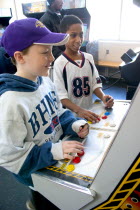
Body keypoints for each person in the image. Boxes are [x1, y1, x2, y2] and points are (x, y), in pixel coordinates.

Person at [0, 18, 89, 210]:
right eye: (44, 52)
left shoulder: (45, 81)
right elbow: (10, 157)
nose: (52, 58)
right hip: (36, 172)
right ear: (20, 57)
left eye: (51, 51)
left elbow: (57, 112)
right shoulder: (10, 103)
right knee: (44, 200)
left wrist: (73, 124)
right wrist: (55, 150)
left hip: (54, 160)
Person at [53, 15, 114, 123]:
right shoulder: (59, 64)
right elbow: (62, 97)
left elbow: (94, 85)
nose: (79, 40)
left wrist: (103, 97)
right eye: (73, 35)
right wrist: (79, 111)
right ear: (63, 36)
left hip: (90, 113)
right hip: (72, 118)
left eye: (81, 34)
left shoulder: (89, 58)